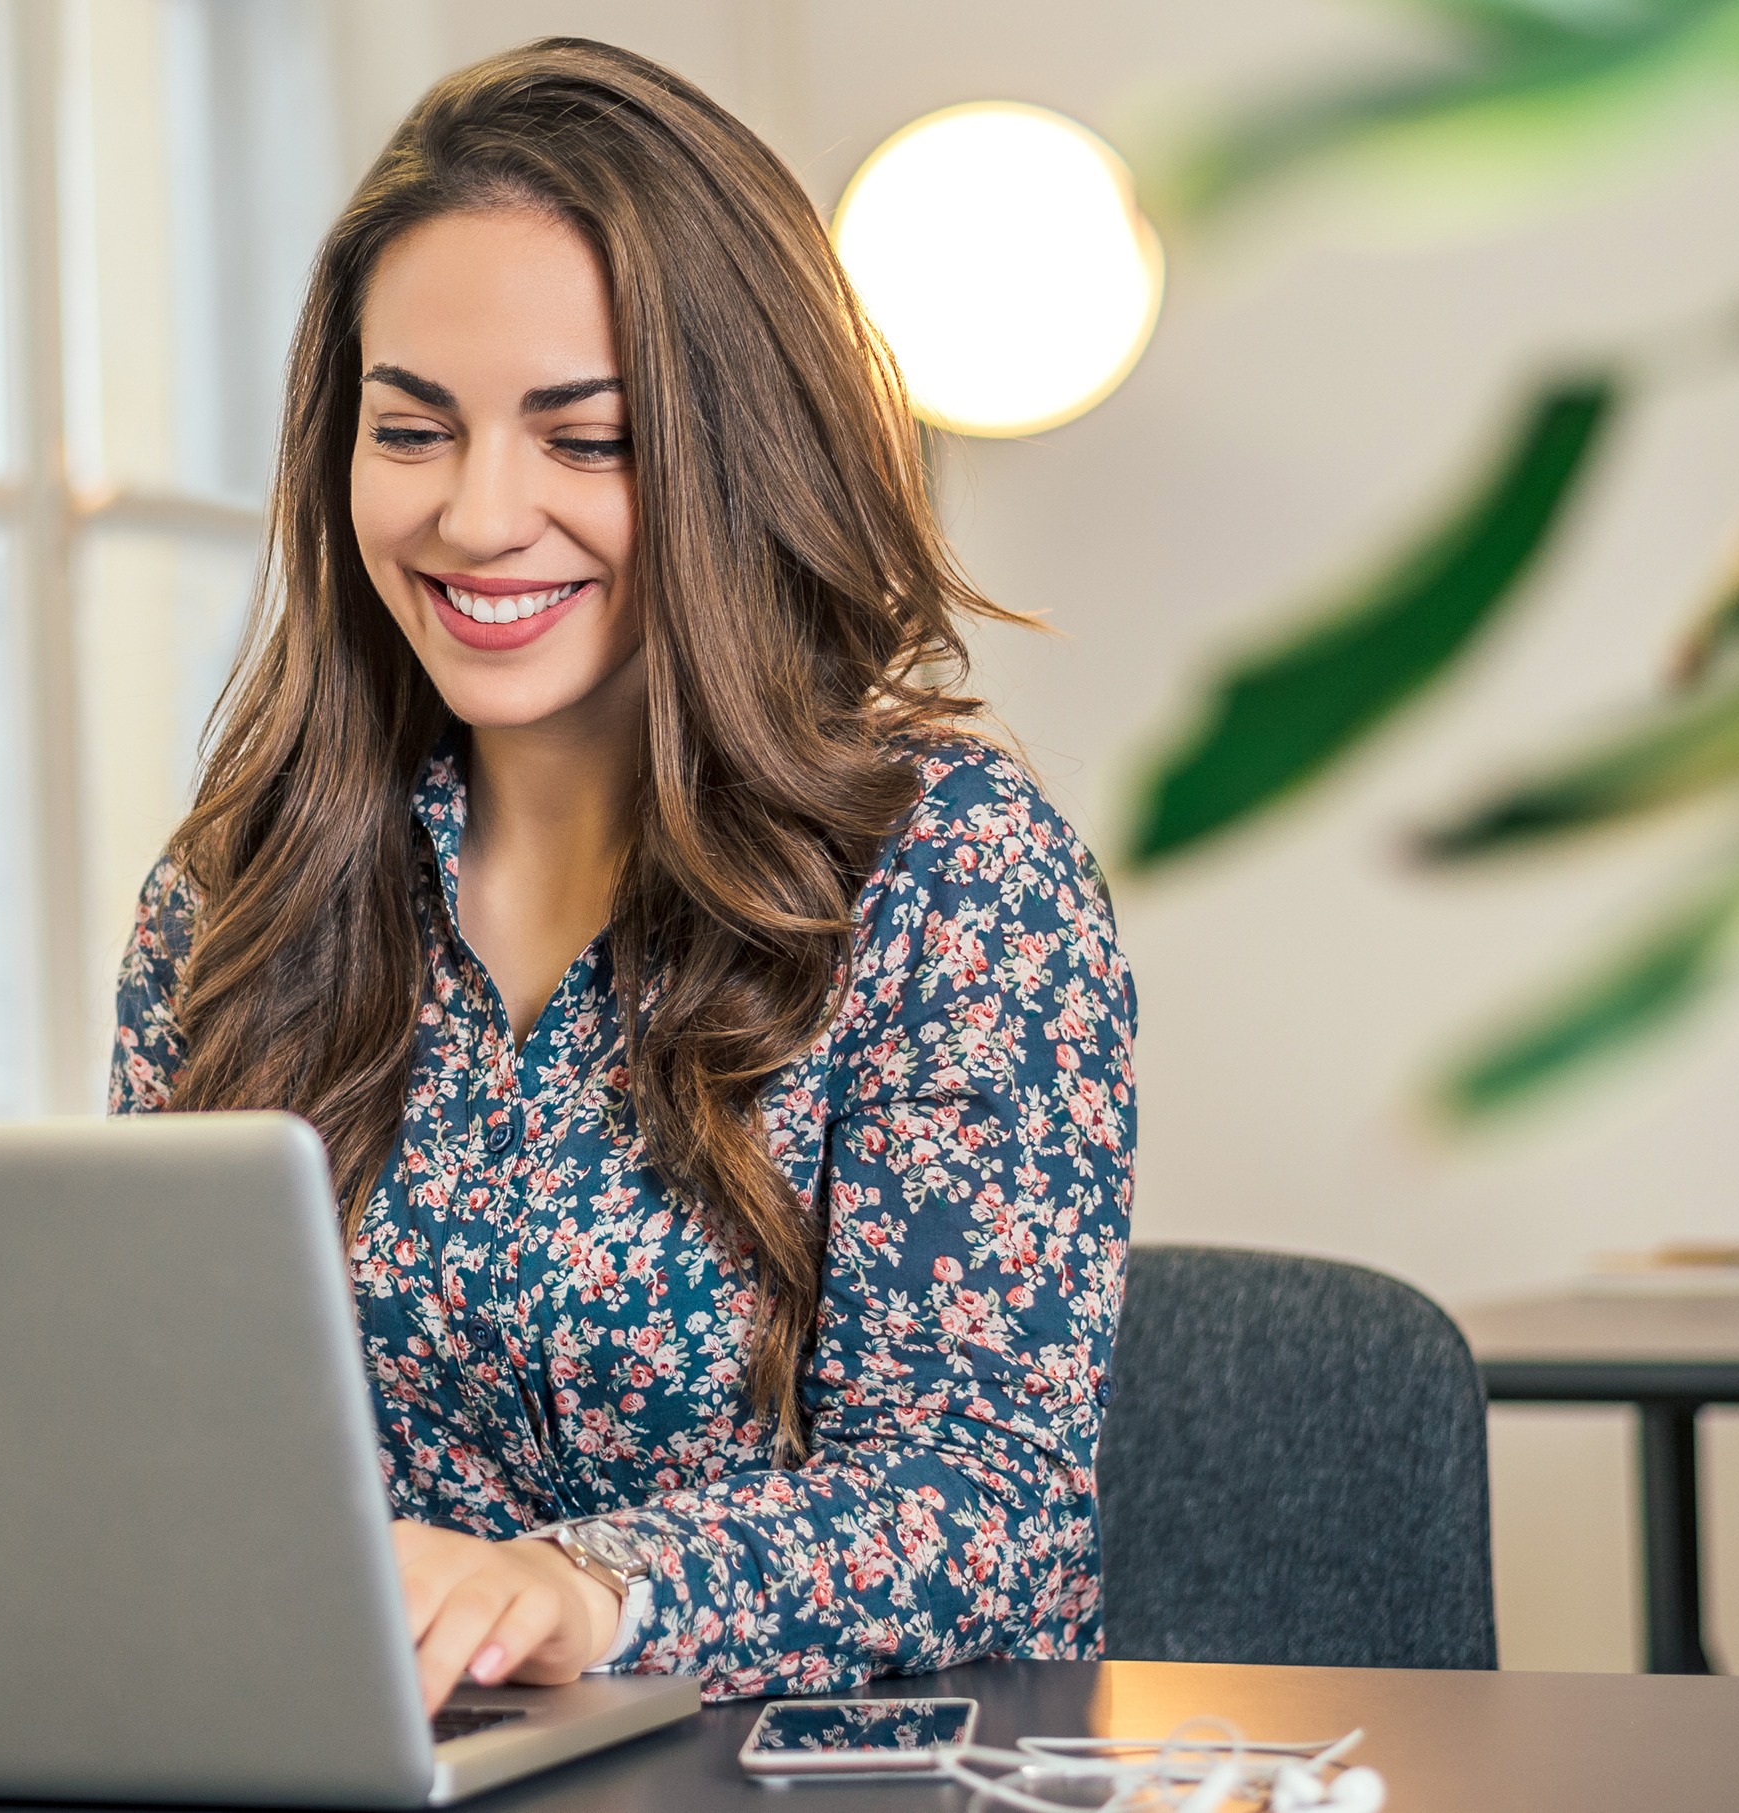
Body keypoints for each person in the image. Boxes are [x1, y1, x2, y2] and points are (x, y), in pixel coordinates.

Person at [107, 38, 1134, 1707]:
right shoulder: (237, 895)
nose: (476, 515)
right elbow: (170, 1466)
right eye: (410, 429)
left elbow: (991, 1508)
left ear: (741, 456)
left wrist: (578, 1593)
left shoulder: (951, 878)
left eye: (586, 441)